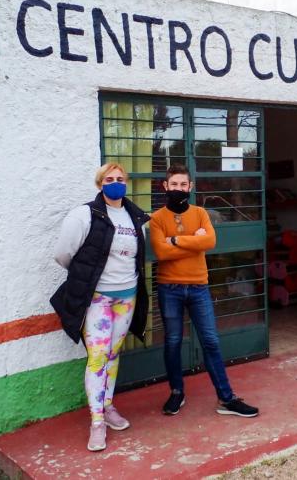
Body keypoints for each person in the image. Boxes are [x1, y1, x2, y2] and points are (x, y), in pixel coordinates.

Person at [50, 163, 150, 452]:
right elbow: (63, 254)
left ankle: (107, 407)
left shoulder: (134, 215)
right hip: (97, 299)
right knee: (97, 357)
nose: (116, 183)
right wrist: (87, 276)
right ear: (99, 184)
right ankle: (96, 423)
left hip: (127, 297)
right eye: (109, 179)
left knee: (113, 354)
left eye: (120, 179)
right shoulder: (85, 214)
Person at [149, 164, 259, 418]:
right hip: (170, 288)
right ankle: (177, 392)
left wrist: (176, 239)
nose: (178, 189)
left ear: (191, 187)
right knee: (173, 342)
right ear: (165, 187)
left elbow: (209, 241)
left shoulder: (200, 213)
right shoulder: (157, 219)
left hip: (199, 287)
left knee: (210, 341)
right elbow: (161, 252)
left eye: (182, 185)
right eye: (173, 184)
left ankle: (227, 397)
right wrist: (193, 241)